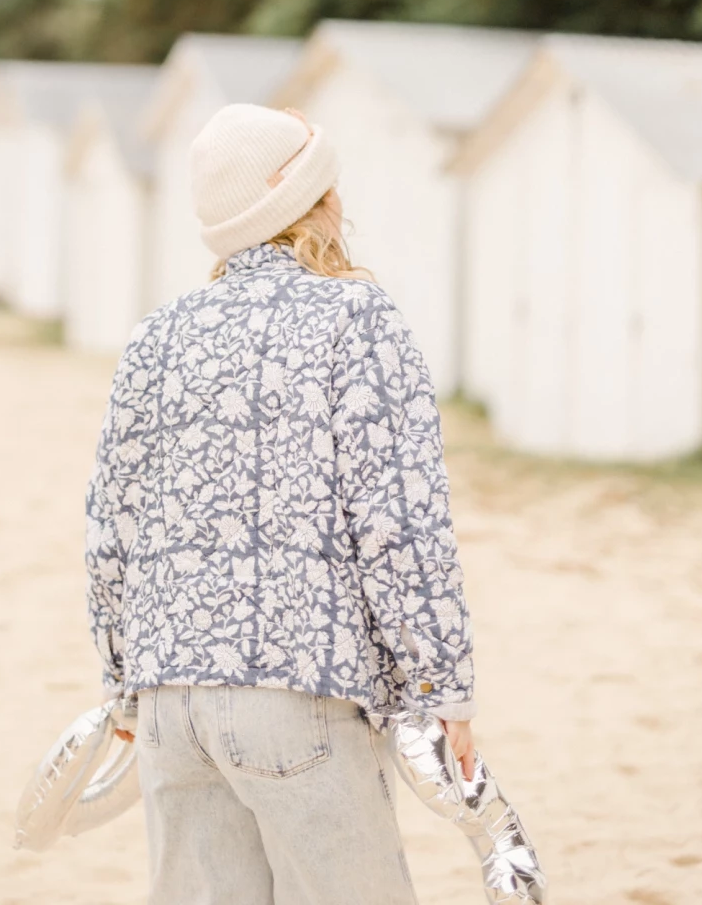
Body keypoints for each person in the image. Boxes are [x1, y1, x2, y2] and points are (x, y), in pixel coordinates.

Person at [85, 102, 476, 905]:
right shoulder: (356, 319)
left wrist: (124, 685)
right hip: (300, 691)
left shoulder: (155, 337)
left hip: (169, 700)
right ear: (313, 203)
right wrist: (441, 689)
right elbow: (399, 524)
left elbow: (109, 531)